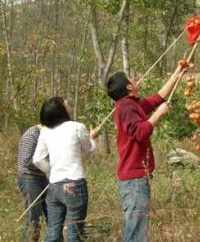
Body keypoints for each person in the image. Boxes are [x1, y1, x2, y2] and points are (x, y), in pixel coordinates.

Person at [107, 66, 184, 242]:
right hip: (134, 179)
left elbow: (157, 98)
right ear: (128, 87)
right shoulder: (126, 107)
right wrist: (158, 114)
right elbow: (141, 132)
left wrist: (177, 72)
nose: (135, 80)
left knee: (135, 229)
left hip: (136, 177)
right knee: (136, 233)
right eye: (131, 78)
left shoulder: (132, 104)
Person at [33, 97, 99, 241]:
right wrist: (92, 138)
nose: (69, 103)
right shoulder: (77, 127)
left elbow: (37, 159)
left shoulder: (46, 131)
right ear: (61, 109)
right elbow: (90, 151)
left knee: (53, 231)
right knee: (74, 233)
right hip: (74, 185)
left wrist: (52, 172)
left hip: (54, 186)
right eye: (66, 102)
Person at [17, 124, 49, 241]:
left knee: (52, 214)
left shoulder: (47, 135)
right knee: (33, 217)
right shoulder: (32, 135)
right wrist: (48, 166)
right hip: (29, 178)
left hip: (43, 177)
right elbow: (26, 161)